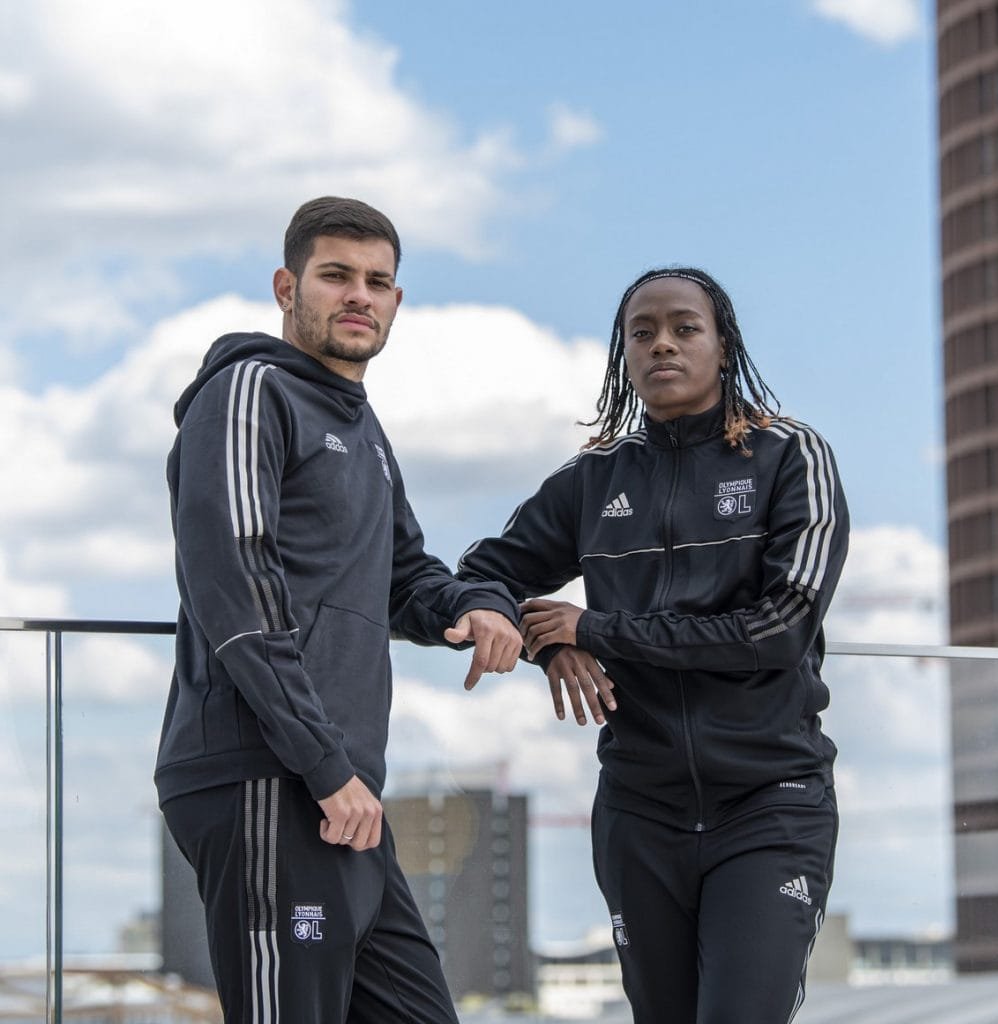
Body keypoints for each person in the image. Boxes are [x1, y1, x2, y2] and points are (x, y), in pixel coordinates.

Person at [154, 196, 523, 1024]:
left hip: (343, 787)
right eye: (336, 275)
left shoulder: (364, 429)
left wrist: (477, 604)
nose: (359, 295)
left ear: (396, 301)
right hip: (266, 773)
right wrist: (325, 767)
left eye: (377, 282)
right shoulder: (248, 393)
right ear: (287, 288)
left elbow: (406, 577)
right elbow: (238, 587)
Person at [458, 267, 849, 1023]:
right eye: (642, 333)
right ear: (624, 355)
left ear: (723, 345)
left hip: (770, 802)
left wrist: (594, 629)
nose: (661, 344)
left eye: (684, 328)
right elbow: (479, 578)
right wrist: (549, 646)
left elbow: (779, 629)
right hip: (639, 810)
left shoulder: (789, 456)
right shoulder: (594, 478)